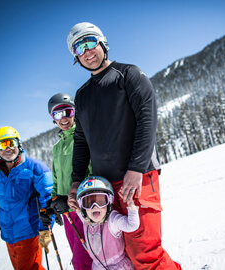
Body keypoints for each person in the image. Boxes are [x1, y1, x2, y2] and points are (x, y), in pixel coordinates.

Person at [66, 22, 182, 270]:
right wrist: (76, 180)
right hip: (105, 187)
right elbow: (81, 140)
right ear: (76, 56)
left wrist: (136, 168)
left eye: (90, 43)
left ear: (102, 43)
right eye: (79, 48)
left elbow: (147, 120)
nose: (87, 52)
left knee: (145, 252)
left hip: (137, 178)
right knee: (124, 253)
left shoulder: (129, 74)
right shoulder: (82, 95)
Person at [0, 126, 53, 270]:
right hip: (9, 236)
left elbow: (46, 199)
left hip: (29, 232)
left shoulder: (35, 168)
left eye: (11, 143)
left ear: (19, 144)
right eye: (2, 145)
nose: (8, 149)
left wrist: (46, 228)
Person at [39, 93, 93, 269]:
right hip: (67, 212)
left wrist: (74, 198)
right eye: (57, 114)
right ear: (52, 119)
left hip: (85, 209)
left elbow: (92, 172)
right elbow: (56, 180)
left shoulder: (83, 138)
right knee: (79, 257)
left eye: (67, 112)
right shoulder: (57, 147)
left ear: (74, 113)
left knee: (83, 260)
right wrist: (53, 202)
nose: (63, 118)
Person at [76, 176, 139, 270]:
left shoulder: (112, 220)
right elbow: (79, 211)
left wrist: (131, 205)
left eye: (101, 201)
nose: (95, 206)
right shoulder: (87, 221)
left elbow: (132, 225)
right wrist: (76, 207)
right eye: (88, 203)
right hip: (98, 267)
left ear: (109, 201)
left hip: (118, 267)